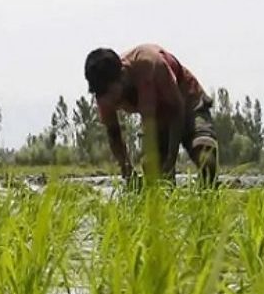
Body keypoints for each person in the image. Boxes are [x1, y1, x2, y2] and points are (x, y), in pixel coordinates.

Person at [85, 44, 218, 187]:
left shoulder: (151, 65)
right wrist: (127, 169)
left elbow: (177, 110)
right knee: (154, 173)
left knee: (204, 153)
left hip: (187, 100)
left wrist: (171, 158)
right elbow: (113, 133)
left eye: (109, 92)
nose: (107, 100)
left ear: (122, 75)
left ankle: (209, 195)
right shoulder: (103, 95)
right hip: (157, 118)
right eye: (101, 94)